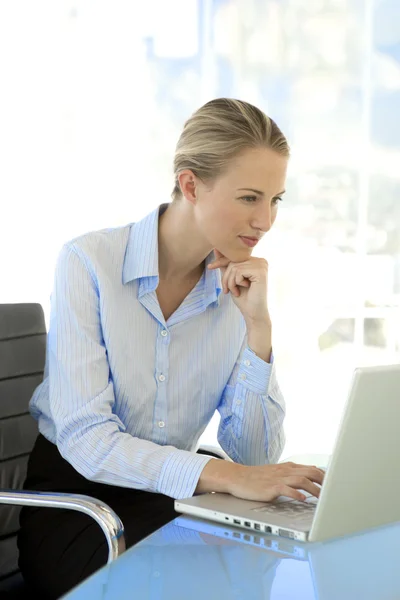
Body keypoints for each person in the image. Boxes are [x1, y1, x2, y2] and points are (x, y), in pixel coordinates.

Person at [17, 98, 324, 599]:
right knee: (215, 581)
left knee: (276, 564)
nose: (266, 220)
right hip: (79, 508)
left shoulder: (235, 290)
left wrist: (258, 331)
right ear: (189, 185)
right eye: (249, 197)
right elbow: (88, 440)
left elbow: (255, 454)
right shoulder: (88, 263)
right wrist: (224, 477)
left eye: (276, 199)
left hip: (173, 497)